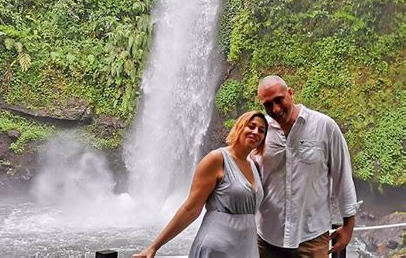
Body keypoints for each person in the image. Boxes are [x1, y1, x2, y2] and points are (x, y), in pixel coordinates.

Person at [133, 111, 268, 258]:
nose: (256, 132)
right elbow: (190, 209)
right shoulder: (217, 159)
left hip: (247, 247)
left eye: (261, 131)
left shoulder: (253, 165)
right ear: (240, 127)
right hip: (218, 247)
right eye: (251, 126)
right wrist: (154, 247)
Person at [256, 75, 361, 257]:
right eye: (268, 104)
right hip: (267, 239)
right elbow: (247, 175)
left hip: (311, 238)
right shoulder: (260, 131)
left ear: (290, 93)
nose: (275, 109)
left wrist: (348, 227)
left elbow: (342, 177)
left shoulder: (324, 126)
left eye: (279, 100)